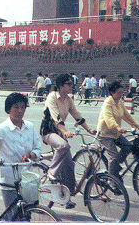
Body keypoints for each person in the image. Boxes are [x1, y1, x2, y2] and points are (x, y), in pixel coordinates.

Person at [0, 92, 41, 220]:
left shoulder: (30, 127)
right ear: (8, 109)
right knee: (12, 216)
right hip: (9, 181)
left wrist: (31, 154)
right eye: (16, 107)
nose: (20, 110)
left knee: (26, 215)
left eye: (23, 107)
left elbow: (38, 148)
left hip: (27, 180)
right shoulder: (2, 129)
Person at [41, 73, 96, 208]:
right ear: (60, 86)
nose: (72, 86)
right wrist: (65, 131)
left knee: (69, 166)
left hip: (60, 132)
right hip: (48, 131)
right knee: (64, 146)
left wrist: (89, 130)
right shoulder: (52, 97)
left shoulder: (69, 99)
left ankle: (67, 197)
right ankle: (51, 172)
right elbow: (56, 117)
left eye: (72, 84)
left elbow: (76, 115)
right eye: (69, 84)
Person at [97, 81, 139, 178]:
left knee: (127, 146)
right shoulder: (107, 103)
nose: (121, 95)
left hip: (115, 133)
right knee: (114, 157)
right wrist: (118, 127)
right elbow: (108, 118)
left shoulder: (119, 102)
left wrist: (137, 126)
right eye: (118, 93)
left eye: (121, 92)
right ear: (112, 92)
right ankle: (112, 181)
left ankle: (114, 167)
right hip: (105, 134)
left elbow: (126, 115)